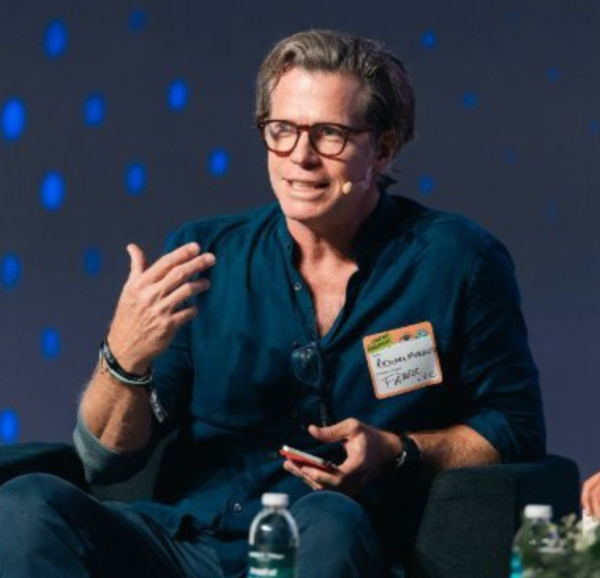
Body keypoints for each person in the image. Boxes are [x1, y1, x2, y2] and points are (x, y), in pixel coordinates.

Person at [0, 29, 545, 578]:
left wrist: (398, 451)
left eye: (330, 134)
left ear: (383, 149)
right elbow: (107, 459)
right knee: (27, 503)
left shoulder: (456, 259)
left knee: (330, 518)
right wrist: (125, 356)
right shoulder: (206, 254)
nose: (300, 157)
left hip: (331, 541)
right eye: (282, 130)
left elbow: (514, 428)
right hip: (186, 542)